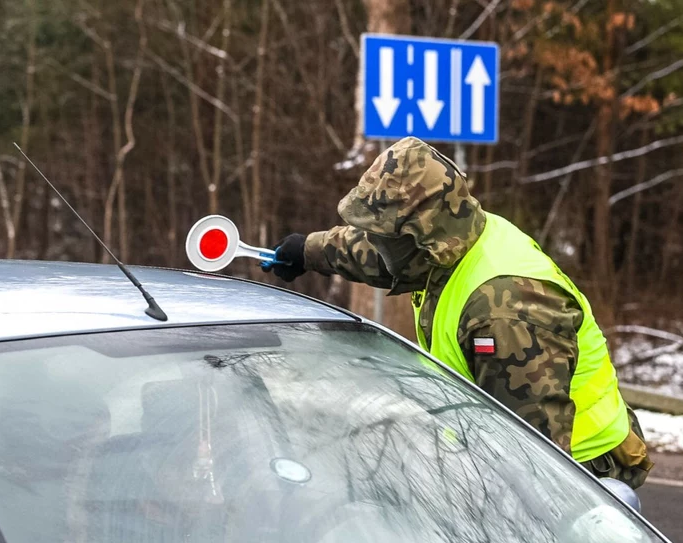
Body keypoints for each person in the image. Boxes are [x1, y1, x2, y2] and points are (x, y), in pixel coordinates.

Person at [263, 136, 653, 488]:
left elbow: (533, 464)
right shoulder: (453, 240)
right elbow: (380, 254)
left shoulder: (504, 311)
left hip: (585, 475)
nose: (378, 245)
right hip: (507, 453)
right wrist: (308, 250)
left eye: (387, 236)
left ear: (423, 234)